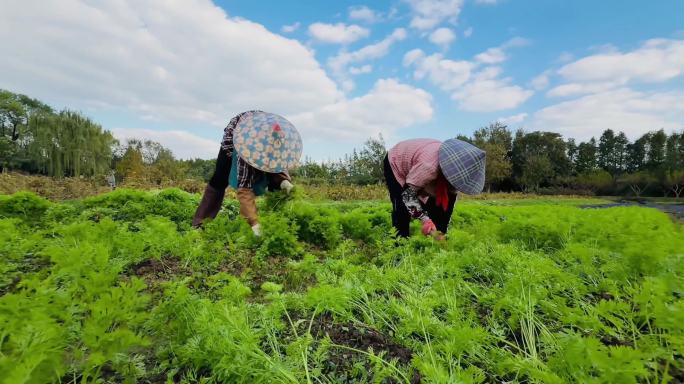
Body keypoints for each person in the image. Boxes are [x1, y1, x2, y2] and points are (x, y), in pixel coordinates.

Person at [192, 110, 302, 235]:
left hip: (260, 128)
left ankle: (274, 220)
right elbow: (244, 189)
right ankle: (200, 223)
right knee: (219, 179)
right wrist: (254, 223)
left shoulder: (277, 144)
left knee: (277, 181)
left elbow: (278, 163)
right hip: (236, 137)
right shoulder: (246, 149)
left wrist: (284, 181)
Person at [384, 138, 485, 239]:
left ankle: (436, 241)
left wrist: (441, 232)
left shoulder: (456, 180)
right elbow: (407, 196)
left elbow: (447, 208)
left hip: (420, 165)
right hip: (396, 161)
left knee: (437, 207)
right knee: (402, 209)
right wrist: (425, 220)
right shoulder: (428, 166)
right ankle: (399, 243)